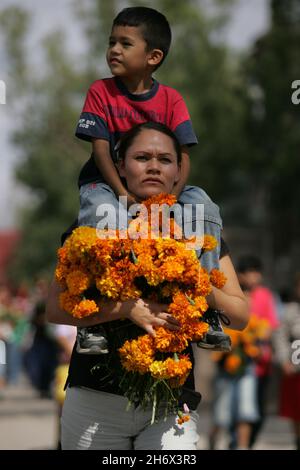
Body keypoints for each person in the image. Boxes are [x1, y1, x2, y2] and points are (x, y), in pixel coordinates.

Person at [46, 123, 249, 450]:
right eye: (142, 157)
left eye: (165, 159)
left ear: (179, 170)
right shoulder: (94, 223)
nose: (154, 166)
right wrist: (126, 309)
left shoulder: (198, 230)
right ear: (121, 167)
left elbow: (240, 316)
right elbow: (55, 308)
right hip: (95, 402)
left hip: (172, 403)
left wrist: (200, 283)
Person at [74, 6, 230, 355]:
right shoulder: (101, 91)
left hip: (163, 189)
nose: (114, 49)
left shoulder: (172, 99)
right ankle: (92, 316)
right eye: (111, 41)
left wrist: (171, 199)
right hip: (107, 183)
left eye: (125, 44)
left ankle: (206, 307)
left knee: (202, 204)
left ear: (153, 56)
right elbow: (101, 151)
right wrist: (123, 193)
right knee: (101, 216)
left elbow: (183, 157)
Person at [237, 255, 279, 447]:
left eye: (256, 272)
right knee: (241, 408)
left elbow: (271, 324)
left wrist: (260, 344)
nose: (253, 276)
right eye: (249, 272)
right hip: (237, 361)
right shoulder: (236, 295)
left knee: (259, 409)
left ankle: (249, 442)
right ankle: (238, 442)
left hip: (261, 362)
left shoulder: (265, 295)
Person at [273, 273, 300, 450]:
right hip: (295, 367)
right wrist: (284, 361)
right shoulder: (290, 310)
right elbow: (280, 336)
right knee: (296, 411)